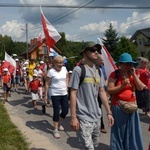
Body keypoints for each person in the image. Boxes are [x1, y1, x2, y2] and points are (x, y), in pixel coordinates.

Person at [68, 43, 114, 149]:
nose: (96, 52)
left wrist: (108, 112)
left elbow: (102, 92)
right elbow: (73, 93)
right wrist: (73, 117)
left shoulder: (98, 71)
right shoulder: (78, 70)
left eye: (97, 50)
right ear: (85, 53)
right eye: (93, 50)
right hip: (83, 117)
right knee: (89, 148)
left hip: (97, 116)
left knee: (95, 145)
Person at [107, 53, 145, 150]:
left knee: (132, 130)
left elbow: (141, 88)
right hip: (119, 106)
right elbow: (109, 90)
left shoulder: (132, 74)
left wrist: (134, 75)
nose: (128, 66)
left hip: (132, 106)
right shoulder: (115, 74)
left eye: (129, 64)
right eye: (125, 64)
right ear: (120, 64)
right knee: (120, 131)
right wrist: (122, 85)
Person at [44, 55, 69, 139]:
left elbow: (67, 77)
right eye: (58, 62)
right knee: (56, 111)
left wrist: (66, 86)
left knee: (65, 110)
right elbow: (47, 84)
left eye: (62, 62)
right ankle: (55, 129)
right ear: (54, 63)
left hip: (64, 93)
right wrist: (45, 95)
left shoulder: (64, 69)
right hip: (55, 94)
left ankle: (58, 123)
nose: (60, 64)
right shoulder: (51, 72)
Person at [96, 54, 107, 133]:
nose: (102, 62)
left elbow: (105, 78)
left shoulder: (102, 68)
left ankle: (102, 125)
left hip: (100, 91)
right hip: (91, 92)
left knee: (99, 108)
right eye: (101, 60)